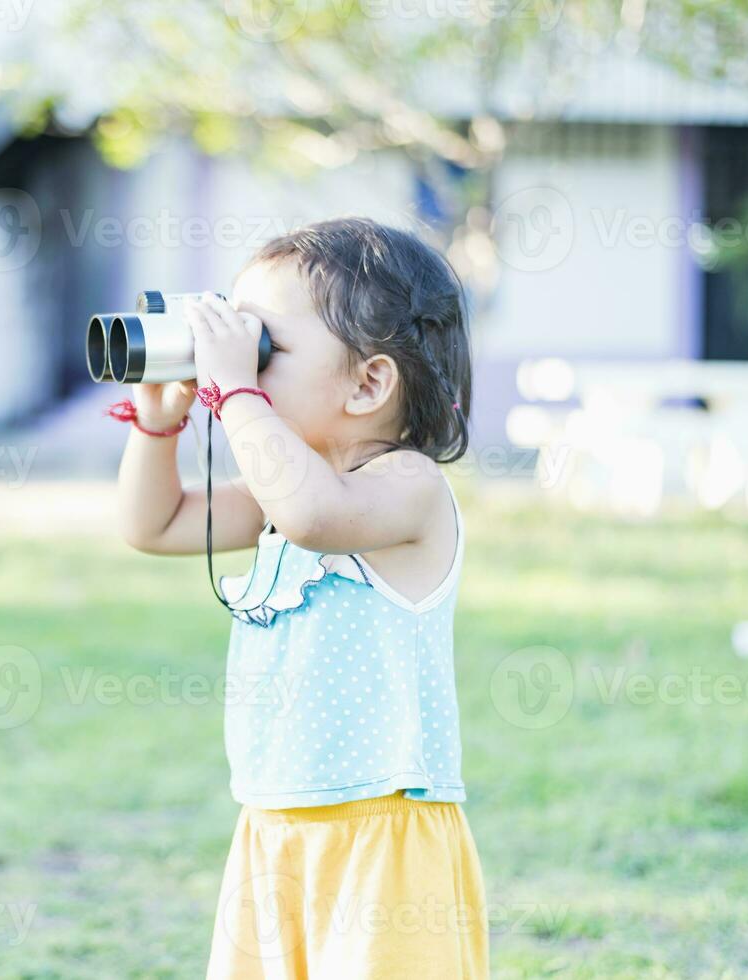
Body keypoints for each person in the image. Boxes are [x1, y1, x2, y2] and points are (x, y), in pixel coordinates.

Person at [112, 218, 488, 979]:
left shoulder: (405, 489)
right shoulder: (277, 493)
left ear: (368, 383)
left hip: (380, 832)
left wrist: (236, 395)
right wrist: (158, 426)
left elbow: (317, 518)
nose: (235, 364)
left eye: (263, 347)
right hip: (274, 824)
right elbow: (152, 526)